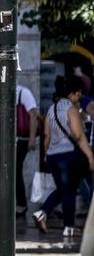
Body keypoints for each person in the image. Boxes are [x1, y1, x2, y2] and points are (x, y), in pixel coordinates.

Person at [34, 74, 94, 238]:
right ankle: (68, 227)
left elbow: (47, 136)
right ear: (73, 93)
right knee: (69, 192)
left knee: (62, 190)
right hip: (68, 157)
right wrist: (90, 156)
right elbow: (79, 136)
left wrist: (46, 155)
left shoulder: (52, 109)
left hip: (53, 157)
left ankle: (42, 212)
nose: (80, 97)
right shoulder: (71, 109)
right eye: (79, 93)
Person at [15, 82, 41, 217]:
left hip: (23, 139)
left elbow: (33, 115)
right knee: (13, 170)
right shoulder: (5, 95)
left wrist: (32, 139)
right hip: (14, 138)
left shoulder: (23, 93)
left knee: (16, 169)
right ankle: (19, 203)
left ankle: (21, 204)